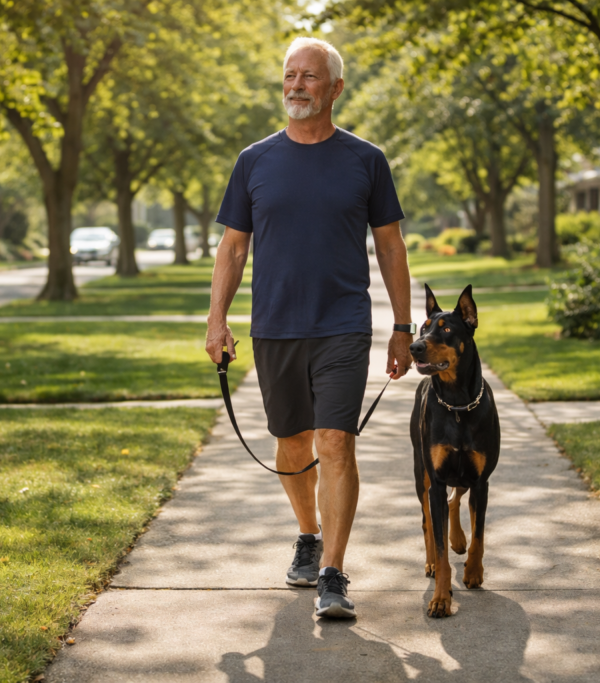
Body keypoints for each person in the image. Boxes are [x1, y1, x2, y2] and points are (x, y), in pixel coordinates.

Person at [205, 36, 414, 619]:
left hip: (343, 325)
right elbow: (233, 248)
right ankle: (308, 533)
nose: (296, 86)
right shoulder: (254, 161)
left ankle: (333, 574)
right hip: (274, 326)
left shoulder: (366, 160)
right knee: (292, 442)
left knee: (336, 441)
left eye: (310, 77)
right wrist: (217, 319)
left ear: (335, 89)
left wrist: (401, 326)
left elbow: (391, 247)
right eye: (290, 76)